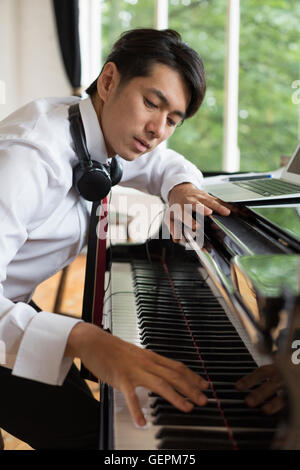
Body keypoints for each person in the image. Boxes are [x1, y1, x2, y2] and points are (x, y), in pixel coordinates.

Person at [0, 28, 230, 449]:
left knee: (97, 425)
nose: (158, 129)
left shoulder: (97, 132)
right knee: (96, 439)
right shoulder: (28, 159)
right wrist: (84, 338)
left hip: (11, 303)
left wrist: (180, 188)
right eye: (151, 103)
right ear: (108, 82)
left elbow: (164, 164)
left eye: (173, 120)